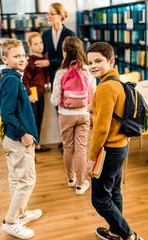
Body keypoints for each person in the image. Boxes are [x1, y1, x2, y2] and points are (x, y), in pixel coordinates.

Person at [86, 42, 143, 240]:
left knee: (100, 199)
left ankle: (128, 235)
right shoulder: (118, 84)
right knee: (114, 191)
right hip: (122, 146)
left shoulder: (105, 88)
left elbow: (102, 130)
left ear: (111, 61)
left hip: (107, 151)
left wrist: (91, 158)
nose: (93, 66)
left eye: (98, 61)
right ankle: (114, 231)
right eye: (90, 62)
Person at [0, 39, 42, 239]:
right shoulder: (12, 80)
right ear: (5, 59)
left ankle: (21, 213)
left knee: (18, 180)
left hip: (16, 140)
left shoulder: (14, 77)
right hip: (18, 140)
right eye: (16, 56)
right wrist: (23, 134)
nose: (22, 59)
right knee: (26, 181)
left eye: (23, 55)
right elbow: (7, 113)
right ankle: (10, 222)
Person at [51, 36, 96, 195]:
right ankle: (80, 185)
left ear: (64, 53)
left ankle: (70, 179)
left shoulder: (60, 73)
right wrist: (89, 113)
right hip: (83, 115)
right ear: (81, 52)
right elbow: (93, 97)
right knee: (81, 150)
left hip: (65, 115)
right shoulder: (87, 71)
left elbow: (55, 100)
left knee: (68, 148)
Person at [35, 2, 75, 91]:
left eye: (51, 14)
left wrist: (50, 62)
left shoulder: (70, 34)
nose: (48, 16)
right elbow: (43, 53)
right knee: (56, 102)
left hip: (67, 74)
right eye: (47, 14)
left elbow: (71, 57)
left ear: (60, 16)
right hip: (52, 75)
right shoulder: (45, 34)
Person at [22, 32, 51, 152]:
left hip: (41, 93)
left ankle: (37, 145)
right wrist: (29, 94)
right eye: (35, 44)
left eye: (40, 43)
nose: (39, 45)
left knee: (39, 120)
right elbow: (25, 79)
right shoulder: (31, 61)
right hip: (33, 93)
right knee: (33, 120)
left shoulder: (44, 59)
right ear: (30, 46)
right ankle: (32, 146)